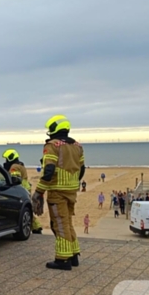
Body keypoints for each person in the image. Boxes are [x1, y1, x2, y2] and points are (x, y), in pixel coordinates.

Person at [33, 114, 85, 271]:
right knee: (67, 222)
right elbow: (81, 169)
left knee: (59, 224)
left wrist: (39, 191)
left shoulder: (52, 146)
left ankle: (63, 259)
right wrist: (73, 183)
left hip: (57, 191)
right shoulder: (77, 146)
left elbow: (49, 170)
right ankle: (74, 254)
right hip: (72, 190)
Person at [2, 149, 43, 234]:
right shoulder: (21, 165)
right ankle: (36, 227)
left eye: (6, 159)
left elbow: (15, 179)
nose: (5, 161)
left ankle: (36, 227)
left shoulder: (14, 167)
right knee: (27, 208)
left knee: (24, 209)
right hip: (26, 187)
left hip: (21, 189)